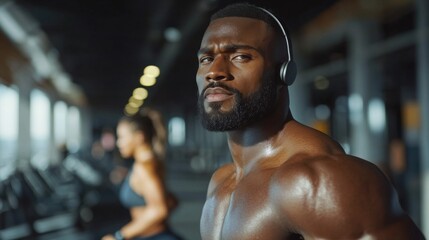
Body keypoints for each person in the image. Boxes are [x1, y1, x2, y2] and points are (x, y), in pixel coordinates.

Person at [195, 2, 425, 240]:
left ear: (284, 72)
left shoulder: (318, 180)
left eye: (241, 56)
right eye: (206, 59)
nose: (215, 71)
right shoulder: (221, 181)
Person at [102, 108, 183, 240]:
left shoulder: (144, 168)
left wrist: (119, 236)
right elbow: (171, 200)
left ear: (139, 137)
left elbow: (160, 209)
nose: (118, 143)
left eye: (122, 137)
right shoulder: (149, 162)